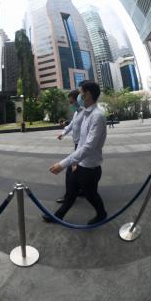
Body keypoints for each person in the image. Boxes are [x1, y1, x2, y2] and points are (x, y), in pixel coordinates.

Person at [45, 80, 108, 226]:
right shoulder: (86, 113)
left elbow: (89, 147)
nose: (79, 96)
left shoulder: (97, 116)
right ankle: (58, 216)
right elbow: (81, 141)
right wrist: (74, 162)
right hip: (81, 163)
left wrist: (63, 164)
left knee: (91, 195)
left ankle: (102, 214)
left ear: (88, 94)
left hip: (90, 168)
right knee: (71, 193)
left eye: (80, 93)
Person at [56, 90, 84, 204]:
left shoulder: (84, 113)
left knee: (70, 172)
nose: (70, 104)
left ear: (78, 100)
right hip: (77, 144)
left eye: (71, 102)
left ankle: (69, 196)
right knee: (81, 171)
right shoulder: (77, 112)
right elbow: (72, 124)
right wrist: (63, 133)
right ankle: (82, 190)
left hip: (81, 146)